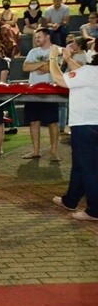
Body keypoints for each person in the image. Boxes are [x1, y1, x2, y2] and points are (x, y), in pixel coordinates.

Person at [48, 44, 98, 221]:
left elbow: (59, 79)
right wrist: (68, 60)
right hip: (92, 124)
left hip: (85, 126)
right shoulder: (90, 72)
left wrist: (53, 57)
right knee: (80, 164)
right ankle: (70, 199)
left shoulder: (90, 72)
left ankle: (94, 210)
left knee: (89, 169)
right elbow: (81, 73)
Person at [22, 28, 60, 161]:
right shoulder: (33, 52)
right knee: (33, 121)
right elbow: (25, 67)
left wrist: (37, 65)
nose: (36, 39)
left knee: (52, 122)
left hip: (50, 92)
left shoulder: (56, 50)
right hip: (33, 92)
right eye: (35, 37)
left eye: (39, 36)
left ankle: (54, 152)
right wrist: (44, 63)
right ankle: (36, 151)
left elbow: (52, 68)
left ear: (47, 37)